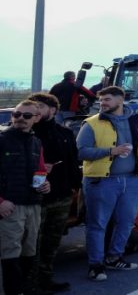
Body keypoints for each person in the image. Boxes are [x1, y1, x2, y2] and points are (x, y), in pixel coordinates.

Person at [76, 86, 138, 282]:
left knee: (126, 222)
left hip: (131, 181)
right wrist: (111, 151)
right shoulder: (91, 124)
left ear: (120, 100)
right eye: (101, 100)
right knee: (97, 224)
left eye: (107, 99)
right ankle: (95, 265)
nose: (102, 103)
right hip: (102, 181)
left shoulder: (135, 121)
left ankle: (114, 257)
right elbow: (81, 152)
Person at [26, 93, 80, 293]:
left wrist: (75, 186)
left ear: (53, 109)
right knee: (32, 245)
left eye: (40, 106)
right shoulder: (27, 134)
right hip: (35, 199)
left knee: (52, 242)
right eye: (34, 106)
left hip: (62, 195)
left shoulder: (65, 134)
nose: (36, 110)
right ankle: (29, 284)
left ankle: (45, 280)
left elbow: (73, 162)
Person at [0, 101, 51, 295]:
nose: (20, 118)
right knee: (9, 253)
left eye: (26, 116)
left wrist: (46, 185)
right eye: (16, 114)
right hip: (9, 207)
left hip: (33, 205)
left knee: (29, 251)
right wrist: (1, 202)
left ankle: (21, 289)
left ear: (36, 118)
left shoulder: (36, 142)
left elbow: (39, 170)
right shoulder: (2, 139)